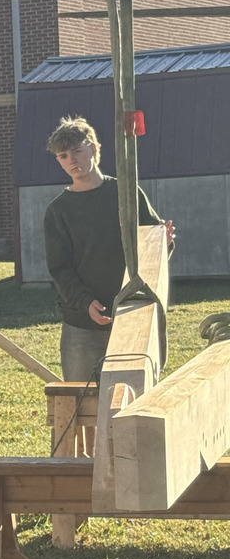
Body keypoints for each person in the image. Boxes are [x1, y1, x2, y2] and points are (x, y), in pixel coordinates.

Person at [43, 115, 175, 384]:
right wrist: (85, 303)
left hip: (132, 317)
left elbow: (150, 250)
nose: (72, 161)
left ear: (93, 147)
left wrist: (165, 241)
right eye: (63, 156)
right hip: (82, 323)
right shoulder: (57, 211)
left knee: (134, 405)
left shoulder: (126, 193)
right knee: (82, 405)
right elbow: (60, 269)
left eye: (77, 151)